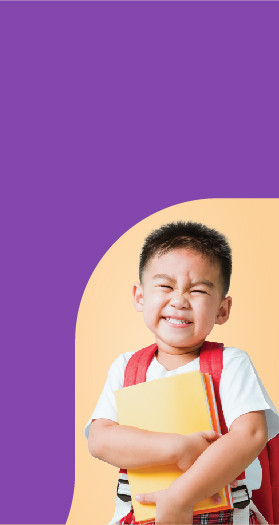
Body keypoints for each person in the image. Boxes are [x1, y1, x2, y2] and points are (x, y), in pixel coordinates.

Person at [85, 221, 279, 525]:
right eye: (165, 286)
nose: (179, 300)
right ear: (139, 296)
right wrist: (179, 448)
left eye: (199, 289)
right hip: (140, 515)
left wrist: (180, 498)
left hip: (226, 517)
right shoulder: (126, 367)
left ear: (222, 310)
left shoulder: (231, 363)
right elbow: (100, 439)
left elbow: (251, 434)